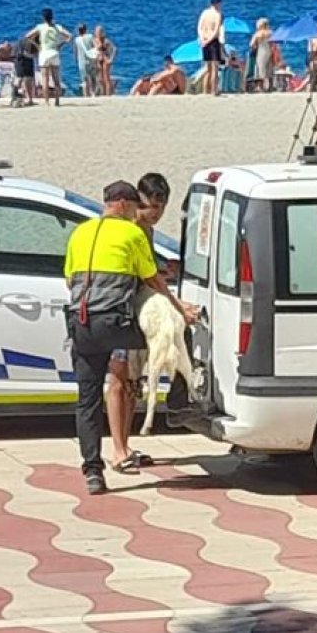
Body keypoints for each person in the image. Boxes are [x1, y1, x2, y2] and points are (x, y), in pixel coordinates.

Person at [63, 180, 190, 494]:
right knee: (169, 337)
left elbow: (69, 280)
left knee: (87, 401)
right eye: (133, 206)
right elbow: (154, 281)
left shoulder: (80, 232)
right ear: (121, 204)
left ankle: (93, 471)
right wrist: (180, 309)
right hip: (117, 326)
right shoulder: (133, 233)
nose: (136, 213)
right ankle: (180, 395)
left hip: (81, 326)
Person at [103, 174, 198, 473]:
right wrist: (178, 305)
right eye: (148, 207)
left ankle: (126, 445)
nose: (153, 213)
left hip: (142, 314)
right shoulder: (130, 230)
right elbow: (145, 277)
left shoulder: (146, 231)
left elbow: (148, 271)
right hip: (122, 310)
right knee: (119, 381)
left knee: (133, 383)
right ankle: (117, 449)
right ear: (135, 203)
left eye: (160, 208)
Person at [28, 8, 72, 106]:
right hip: (54, 52)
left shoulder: (40, 27)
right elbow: (69, 36)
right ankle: (57, 100)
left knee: (45, 78)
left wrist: (37, 46)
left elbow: (28, 36)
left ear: (43, 17)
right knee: (56, 78)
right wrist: (61, 44)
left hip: (44, 53)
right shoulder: (57, 27)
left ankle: (47, 101)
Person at [197, 0, 225, 96]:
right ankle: (213, 90)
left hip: (204, 40)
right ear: (218, 3)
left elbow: (199, 27)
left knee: (207, 68)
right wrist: (208, 40)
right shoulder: (218, 14)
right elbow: (216, 30)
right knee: (215, 68)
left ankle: (205, 91)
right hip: (212, 41)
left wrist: (202, 39)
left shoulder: (204, 12)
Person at [14, 29, 38, 106]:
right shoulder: (25, 42)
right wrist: (35, 55)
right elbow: (24, 53)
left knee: (27, 79)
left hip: (27, 61)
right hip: (21, 60)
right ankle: (15, 95)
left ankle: (29, 99)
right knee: (21, 78)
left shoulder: (27, 41)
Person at [72, 24, 98, 97]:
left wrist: (76, 60)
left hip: (82, 62)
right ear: (86, 29)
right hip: (91, 60)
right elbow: (96, 46)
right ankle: (93, 93)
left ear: (78, 31)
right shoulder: (90, 36)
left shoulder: (76, 40)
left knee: (84, 80)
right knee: (93, 78)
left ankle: (86, 95)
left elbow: (75, 52)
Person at [249, 18, 273, 92]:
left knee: (260, 68)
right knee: (269, 68)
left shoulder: (258, 34)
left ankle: (261, 87)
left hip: (261, 51)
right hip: (269, 50)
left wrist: (255, 46)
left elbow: (251, 44)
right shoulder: (271, 33)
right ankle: (270, 87)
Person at [94, 26, 117, 96]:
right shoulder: (95, 40)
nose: (98, 33)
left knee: (106, 78)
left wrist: (111, 59)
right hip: (98, 60)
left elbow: (115, 49)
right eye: (97, 31)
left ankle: (108, 94)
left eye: (99, 32)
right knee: (100, 79)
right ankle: (103, 93)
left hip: (105, 60)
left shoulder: (105, 40)